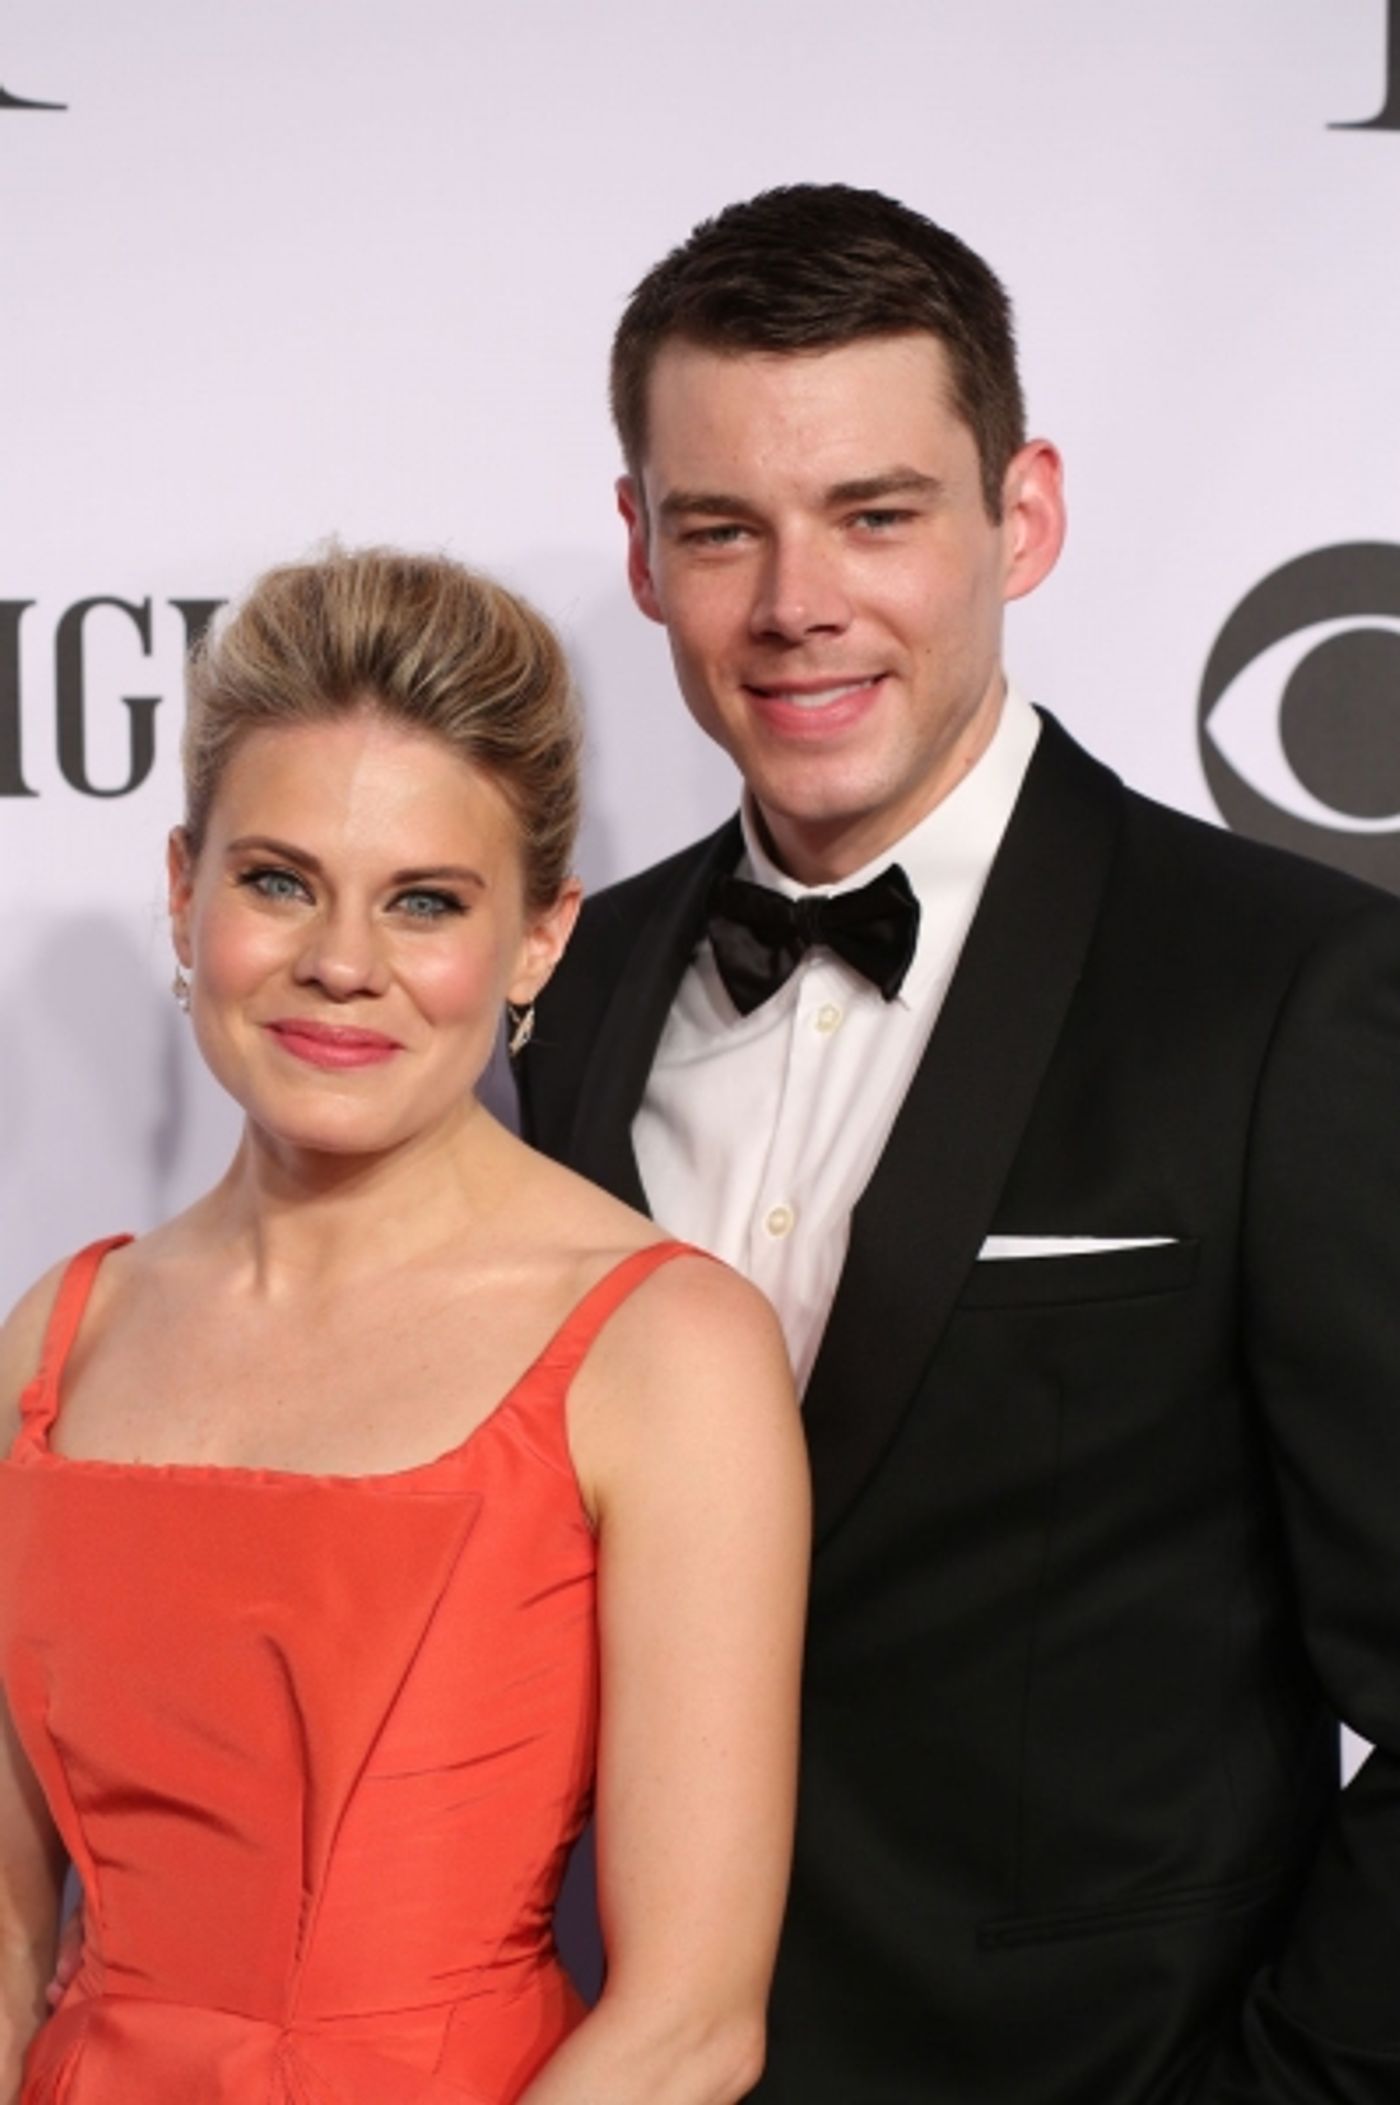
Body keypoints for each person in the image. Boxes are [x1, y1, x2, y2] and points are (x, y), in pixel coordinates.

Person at [518, 184, 1400, 2102]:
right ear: (644, 552)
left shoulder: (1284, 993)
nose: (795, 601)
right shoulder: (570, 999)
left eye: (877, 514)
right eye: (722, 526)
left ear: (1025, 516)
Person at [0, 546, 809, 2104]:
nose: (342, 964)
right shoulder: (57, 1332)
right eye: (278, 879)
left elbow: (691, 2023)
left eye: (424, 901)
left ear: (537, 941)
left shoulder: (663, 1351)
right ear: (185, 889)